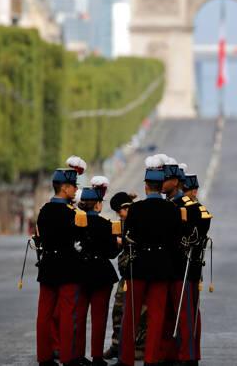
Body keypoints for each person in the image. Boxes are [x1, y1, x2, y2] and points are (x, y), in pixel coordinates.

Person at [112, 155, 180, 366]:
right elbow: (176, 239)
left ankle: (126, 358)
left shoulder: (137, 209)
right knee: (156, 316)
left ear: (146, 186)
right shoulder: (173, 210)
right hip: (161, 266)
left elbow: (130, 236)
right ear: (161, 186)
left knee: (130, 315)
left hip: (139, 265)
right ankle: (151, 358)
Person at [35, 156, 90, 366]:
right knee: (68, 314)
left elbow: (40, 238)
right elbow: (83, 240)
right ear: (65, 187)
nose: (76, 190)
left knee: (44, 314)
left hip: (48, 265)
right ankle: (67, 357)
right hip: (68, 267)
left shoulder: (44, 211)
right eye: (74, 186)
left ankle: (44, 357)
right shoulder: (74, 214)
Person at [76, 177, 120, 366]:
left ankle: (77, 355)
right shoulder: (105, 225)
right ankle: (96, 356)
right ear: (97, 205)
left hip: (79, 273)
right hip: (101, 273)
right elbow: (111, 253)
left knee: (78, 317)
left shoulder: (75, 224)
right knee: (99, 318)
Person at [169, 172, 212, 365]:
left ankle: (187, 354)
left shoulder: (186, 207)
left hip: (183, 265)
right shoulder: (195, 207)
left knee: (185, 312)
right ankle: (190, 352)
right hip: (188, 265)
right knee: (190, 312)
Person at [104, 192, 147, 362]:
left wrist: (125, 241)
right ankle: (117, 345)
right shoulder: (121, 223)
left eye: (120, 210)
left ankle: (139, 347)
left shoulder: (140, 218)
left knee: (142, 312)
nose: (119, 215)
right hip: (125, 274)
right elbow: (114, 252)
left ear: (127, 207)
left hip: (139, 271)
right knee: (118, 310)